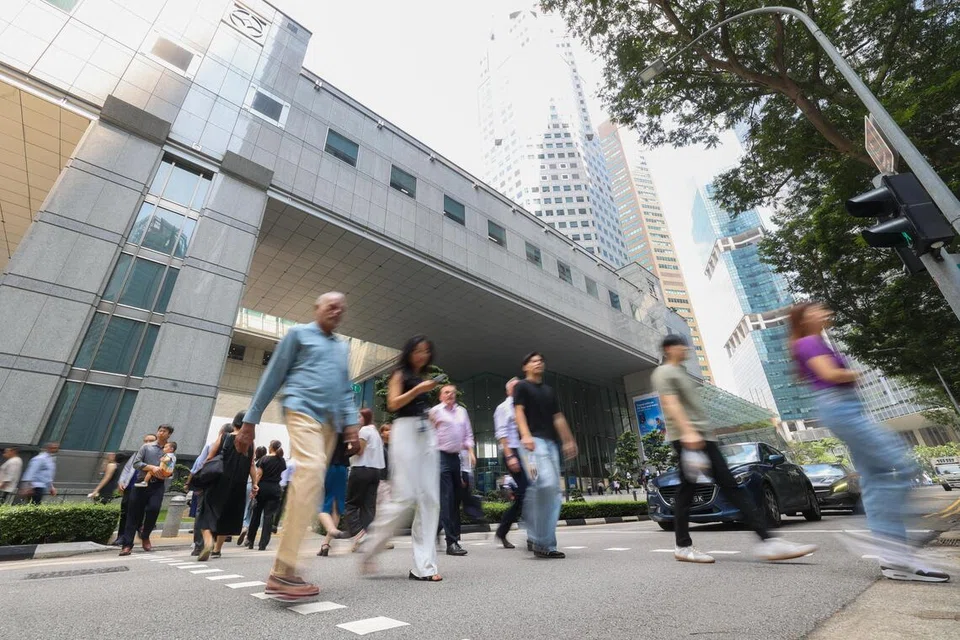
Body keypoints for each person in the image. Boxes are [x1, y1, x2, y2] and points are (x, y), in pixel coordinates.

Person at [789, 303, 949, 583]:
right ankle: (881, 541)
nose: (825, 312)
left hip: (844, 409)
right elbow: (830, 375)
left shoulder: (816, 341)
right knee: (904, 465)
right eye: (817, 310)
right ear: (804, 319)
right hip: (840, 408)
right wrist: (855, 374)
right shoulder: (809, 342)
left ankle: (894, 561)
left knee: (877, 478)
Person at [652, 334, 817, 564]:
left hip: (701, 438)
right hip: (688, 438)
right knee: (721, 487)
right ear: (670, 349)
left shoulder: (681, 373)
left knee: (704, 489)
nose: (686, 350)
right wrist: (689, 432)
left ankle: (763, 541)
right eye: (682, 346)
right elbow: (670, 403)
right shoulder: (664, 372)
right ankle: (766, 541)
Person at [241, 291, 358, 601]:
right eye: (330, 305)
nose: (336, 310)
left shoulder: (341, 347)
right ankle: (284, 572)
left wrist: (352, 426)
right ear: (316, 308)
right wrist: (250, 420)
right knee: (311, 468)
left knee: (310, 483)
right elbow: (273, 375)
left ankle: (285, 570)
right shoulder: (298, 334)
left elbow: (346, 391)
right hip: (302, 409)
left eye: (341, 308)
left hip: (330, 423)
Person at [363, 335, 442, 582]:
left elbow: (419, 407)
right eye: (418, 350)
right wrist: (419, 389)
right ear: (409, 352)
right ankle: (370, 547)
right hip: (405, 432)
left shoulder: (422, 378)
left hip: (425, 434)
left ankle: (424, 567)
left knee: (431, 499)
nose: (422, 355)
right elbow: (393, 403)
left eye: (426, 351)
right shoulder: (400, 374)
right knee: (405, 497)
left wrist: (430, 416)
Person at [514, 353, 577, 559]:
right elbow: (519, 411)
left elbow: (557, 417)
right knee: (547, 485)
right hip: (533, 440)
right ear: (525, 367)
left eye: (541, 360)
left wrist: (568, 439)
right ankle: (534, 529)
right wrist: (525, 435)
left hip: (551, 443)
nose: (539, 362)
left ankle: (545, 544)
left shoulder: (549, 391)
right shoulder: (522, 387)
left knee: (552, 493)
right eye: (533, 360)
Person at [196, 417, 256, 561]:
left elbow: (210, 458)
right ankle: (217, 550)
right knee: (227, 516)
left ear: (234, 423)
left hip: (219, 482)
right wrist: (254, 483)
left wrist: (202, 476)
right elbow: (251, 465)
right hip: (239, 483)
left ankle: (209, 541)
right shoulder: (250, 443)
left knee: (206, 512)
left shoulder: (225, 437)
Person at [430, 383, 475, 557]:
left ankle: (446, 534)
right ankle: (452, 542)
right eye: (446, 392)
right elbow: (427, 434)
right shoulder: (435, 411)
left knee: (456, 499)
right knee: (447, 499)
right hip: (440, 457)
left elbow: (468, 434)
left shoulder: (461, 411)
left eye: (453, 392)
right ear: (440, 396)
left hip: (456, 458)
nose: (450, 395)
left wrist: (470, 451)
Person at [118, 426, 174, 556]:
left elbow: (171, 469)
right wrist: (151, 468)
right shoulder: (146, 447)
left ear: (169, 435)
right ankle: (127, 545)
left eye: (164, 431)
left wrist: (166, 474)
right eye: (159, 430)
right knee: (133, 514)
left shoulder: (169, 451)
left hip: (157, 485)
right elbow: (136, 463)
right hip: (141, 483)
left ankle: (145, 536)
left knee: (153, 510)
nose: (161, 433)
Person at [341, 408, 384, 551]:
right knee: (368, 507)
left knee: (350, 505)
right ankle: (368, 539)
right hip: (375, 471)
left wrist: (345, 450)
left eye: (359, 416)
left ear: (365, 417)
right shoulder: (376, 432)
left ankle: (359, 534)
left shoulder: (364, 431)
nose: (357, 419)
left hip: (361, 469)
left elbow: (359, 450)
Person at [188, 424, 234, 556]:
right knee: (219, 514)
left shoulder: (211, 446)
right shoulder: (236, 450)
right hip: (226, 486)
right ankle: (215, 546)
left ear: (221, 433)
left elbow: (200, 464)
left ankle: (200, 545)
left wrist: (192, 482)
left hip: (208, 482)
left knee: (202, 512)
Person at [495, 378, 525, 549]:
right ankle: (533, 536)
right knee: (527, 493)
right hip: (513, 452)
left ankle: (502, 531)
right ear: (508, 391)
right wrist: (509, 456)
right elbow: (501, 433)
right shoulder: (503, 408)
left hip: (526, 453)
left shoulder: (524, 407)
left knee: (525, 495)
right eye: (514, 387)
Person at [116, 434, 157, 544]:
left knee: (141, 511)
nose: (148, 442)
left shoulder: (157, 455)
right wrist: (121, 481)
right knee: (125, 511)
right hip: (131, 486)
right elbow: (127, 468)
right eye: (146, 440)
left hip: (146, 486)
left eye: (151, 441)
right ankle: (121, 536)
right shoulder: (137, 454)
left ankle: (141, 529)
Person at [246, 440, 286, 551]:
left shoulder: (264, 459)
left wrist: (255, 487)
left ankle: (250, 540)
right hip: (275, 489)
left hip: (262, 488)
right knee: (268, 517)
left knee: (256, 514)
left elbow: (258, 474)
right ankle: (263, 544)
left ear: (272, 447)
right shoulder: (282, 461)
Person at [317, 433, 351, 557]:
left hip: (328, 467)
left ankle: (331, 529)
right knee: (337, 505)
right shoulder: (346, 425)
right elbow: (356, 446)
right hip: (342, 468)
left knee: (321, 503)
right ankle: (326, 544)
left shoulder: (325, 424)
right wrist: (346, 454)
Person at [238, 446, 268, 547]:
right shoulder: (265, 462)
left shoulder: (253, 462)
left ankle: (244, 526)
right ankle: (248, 530)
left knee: (246, 507)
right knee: (253, 510)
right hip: (257, 486)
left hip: (247, 484)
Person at [376, 423, 395, 550]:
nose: (389, 432)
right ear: (382, 433)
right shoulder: (380, 447)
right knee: (381, 510)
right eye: (387, 430)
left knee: (388, 510)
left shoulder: (394, 448)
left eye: (391, 430)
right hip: (381, 481)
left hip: (391, 481)